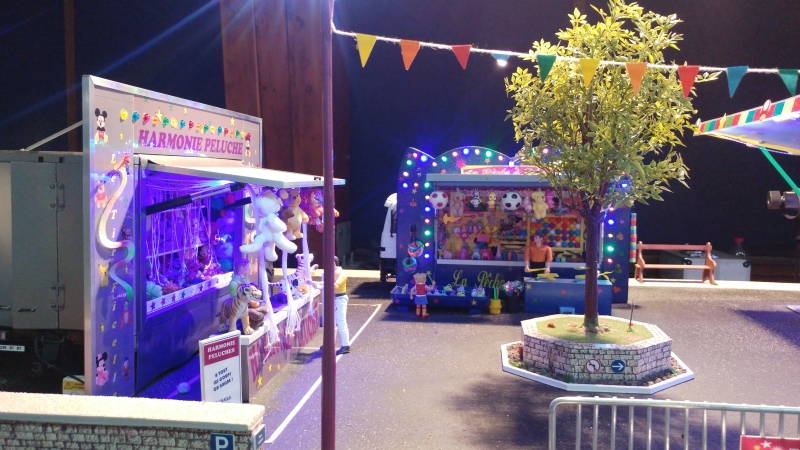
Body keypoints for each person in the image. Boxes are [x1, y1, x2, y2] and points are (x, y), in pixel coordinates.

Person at [332, 256, 350, 355]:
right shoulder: (332, 273)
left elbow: (336, 285)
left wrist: (322, 284)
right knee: (332, 322)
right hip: (334, 299)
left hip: (340, 299)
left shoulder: (342, 274)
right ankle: (330, 343)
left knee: (341, 321)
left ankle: (345, 345)